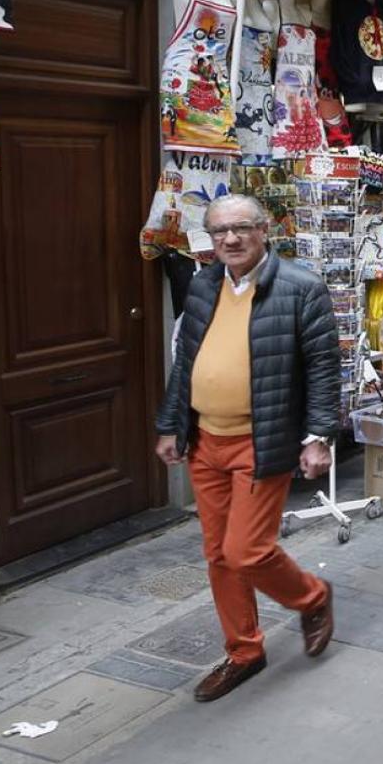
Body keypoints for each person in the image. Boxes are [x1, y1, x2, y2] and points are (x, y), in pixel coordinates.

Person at [155, 195, 336, 703]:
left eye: (240, 229)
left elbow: (323, 367)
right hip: (205, 440)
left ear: (264, 231)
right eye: (218, 232)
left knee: (246, 550)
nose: (230, 240)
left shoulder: (302, 287)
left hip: (263, 439)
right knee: (217, 553)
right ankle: (243, 651)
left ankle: (312, 597)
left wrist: (318, 436)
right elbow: (184, 362)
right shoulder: (203, 284)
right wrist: (171, 425)